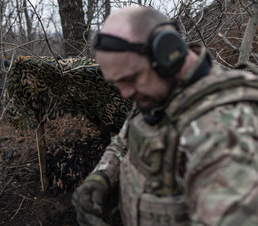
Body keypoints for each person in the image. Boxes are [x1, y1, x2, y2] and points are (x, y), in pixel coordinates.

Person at [72, 6, 258, 226]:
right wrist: (100, 178)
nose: (125, 93)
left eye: (130, 79)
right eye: (118, 82)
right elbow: (126, 140)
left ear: (167, 54)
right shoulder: (158, 90)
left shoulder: (223, 134)